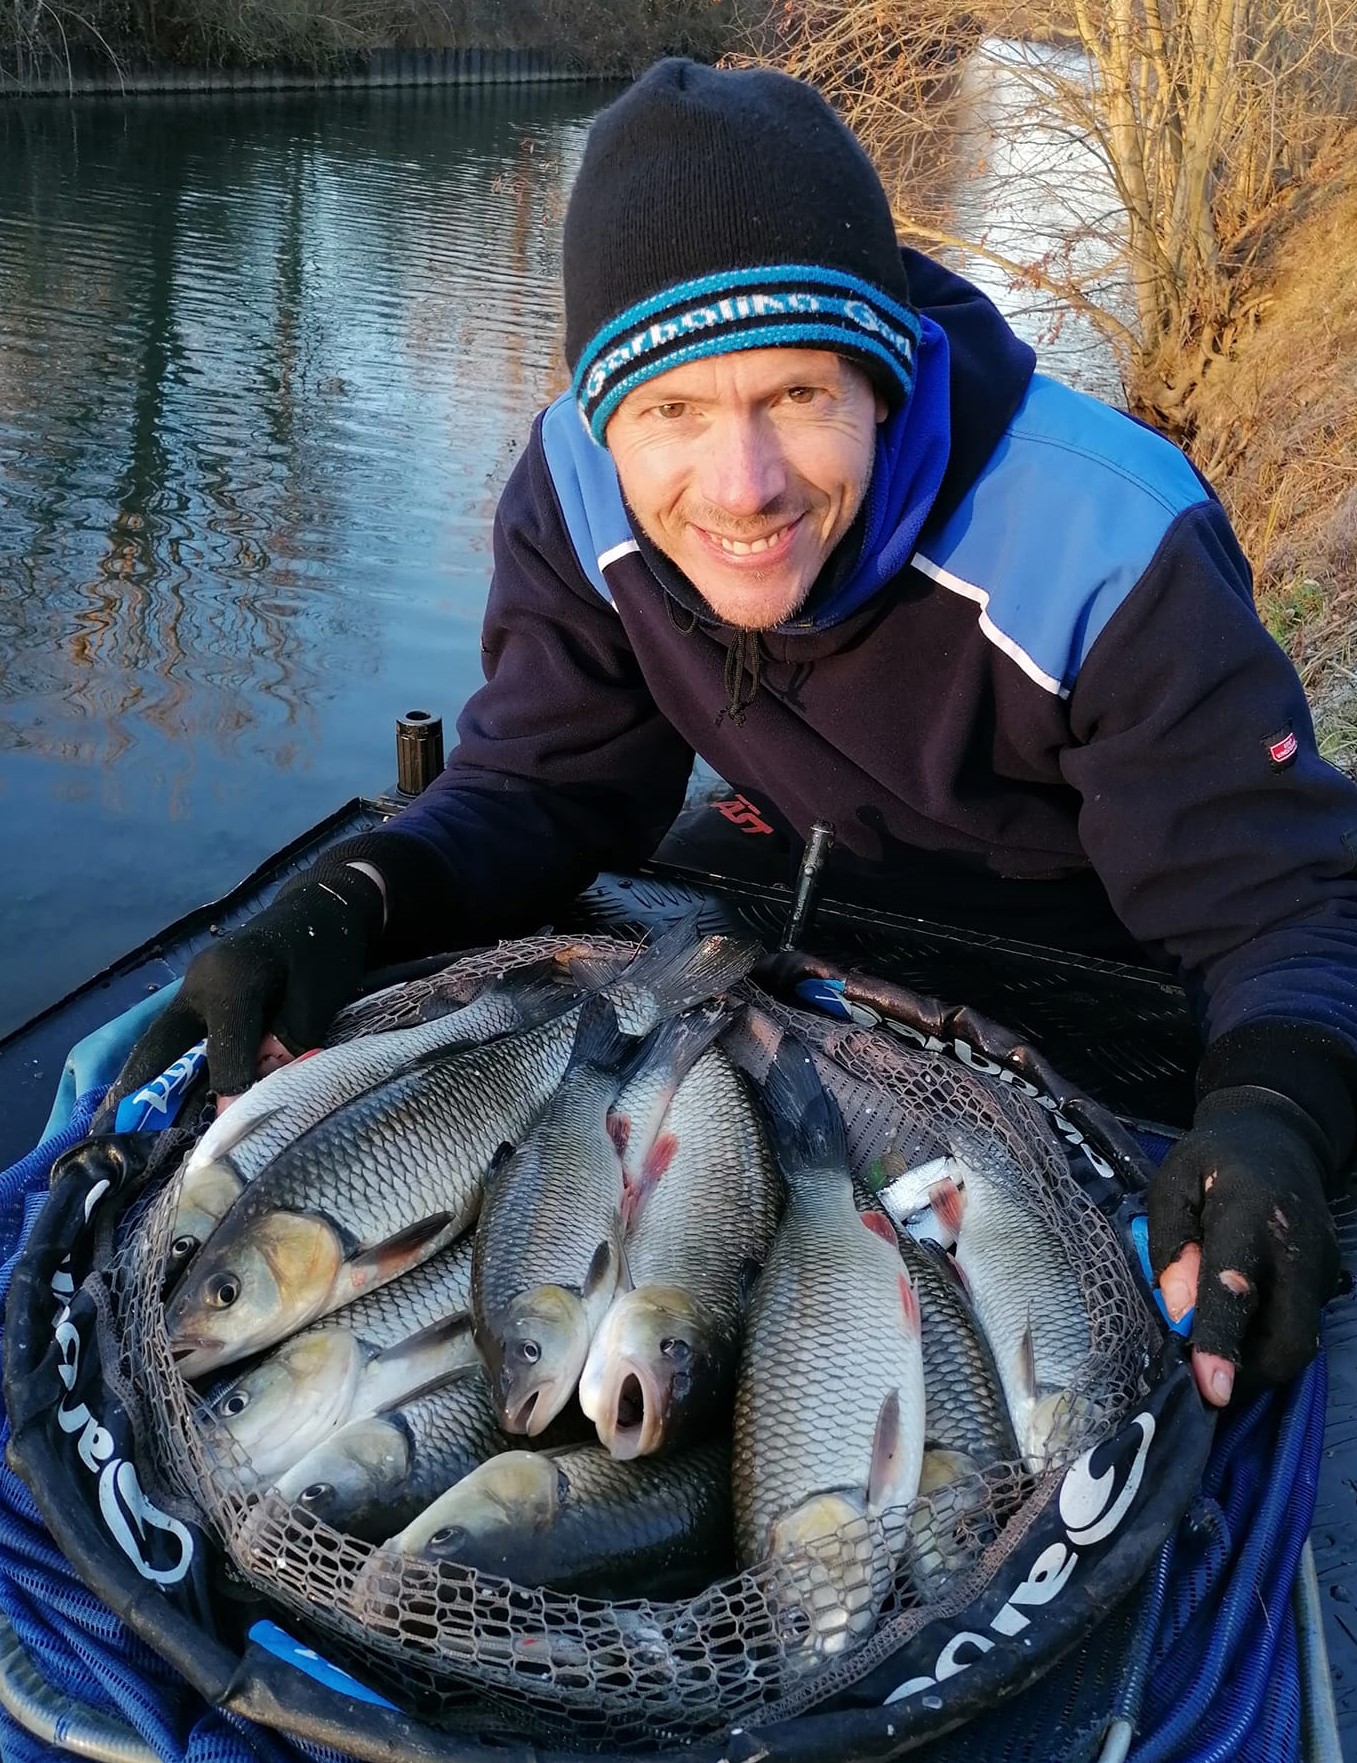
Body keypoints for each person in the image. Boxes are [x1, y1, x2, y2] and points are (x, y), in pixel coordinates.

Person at [116, 57, 1353, 1412]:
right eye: (673, 411)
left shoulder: (1109, 537)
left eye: (797, 397)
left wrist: (1272, 1112)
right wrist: (352, 897)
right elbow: (542, 783)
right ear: (608, 415)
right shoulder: (574, 483)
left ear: (880, 380)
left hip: (1087, 944)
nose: (742, 487)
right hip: (784, 888)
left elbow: (1280, 908)